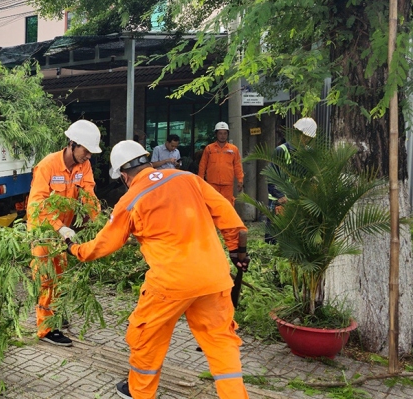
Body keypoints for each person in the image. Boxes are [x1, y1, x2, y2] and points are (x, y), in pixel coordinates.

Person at [64, 140, 249, 399]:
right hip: (214, 278)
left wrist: (75, 249)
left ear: (124, 176)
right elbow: (226, 213)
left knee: (146, 340)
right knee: (221, 344)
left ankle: (139, 393)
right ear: (146, 161)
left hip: (170, 284)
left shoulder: (130, 200)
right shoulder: (188, 178)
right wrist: (236, 250)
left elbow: (104, 244)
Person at [27, 120, 102, 346]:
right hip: (44, 229)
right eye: (85, 150)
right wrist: (59, 227)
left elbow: (89, 193)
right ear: (72, 144)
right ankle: (46, 329)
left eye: (90, 152)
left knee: (61, 274)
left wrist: (99, 222)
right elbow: (38, 203)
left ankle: (55, 312)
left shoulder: (83, 166)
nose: (88, 156)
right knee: (46, 277)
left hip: (65, 231)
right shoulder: (47, 165)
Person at [265, 117, 317, 244]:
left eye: (308, 137)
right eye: (304, 136)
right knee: (275, 237)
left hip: (299, 201)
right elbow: (272, 176)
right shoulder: (282, 151)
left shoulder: (309, 153)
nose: (306, 140)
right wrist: (280, 196)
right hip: (280, 202)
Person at [198, 122, 243, 204]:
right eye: (220, 133)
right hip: (212, 183)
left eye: (225, 133)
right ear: (216, 134)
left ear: (228, 134)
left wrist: (240, 180)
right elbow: (203, 165)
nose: (223, 136)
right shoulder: (209, 148)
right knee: (212, 204)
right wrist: (200, 180)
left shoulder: (233, 149)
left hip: (227, 184)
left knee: (227, 204)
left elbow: (237, 165)